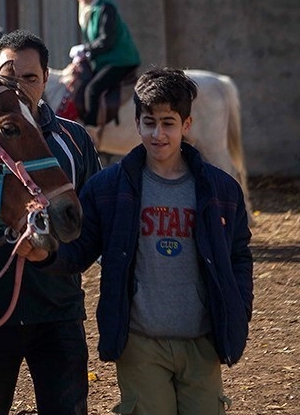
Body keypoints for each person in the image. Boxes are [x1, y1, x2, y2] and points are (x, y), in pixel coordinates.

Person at [25, 68, 253, 414]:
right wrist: (44, 253)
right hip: (140, 343)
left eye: (168, 123)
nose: (158, 133)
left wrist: (239, 308)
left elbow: (238, 254)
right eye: (149, 122)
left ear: (187, 125)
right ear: (136, 123)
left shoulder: (221, 191)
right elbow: (81, 247)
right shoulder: (108, 189)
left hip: (202, 343)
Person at [0, 29, 101, 415]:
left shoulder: (74, 140)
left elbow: (90, 224)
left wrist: (54, 254)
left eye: (30, 78)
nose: (18, 86)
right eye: (8, 76)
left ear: (47, 79)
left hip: (57, 310)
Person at [69, 0, 141, 132]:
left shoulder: (105, 7)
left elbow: (106, 40)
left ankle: (90, 132)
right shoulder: (89, 12)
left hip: (120, 60)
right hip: (104, 61)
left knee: (93, 89)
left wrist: (86, 50)